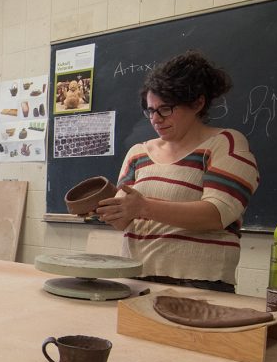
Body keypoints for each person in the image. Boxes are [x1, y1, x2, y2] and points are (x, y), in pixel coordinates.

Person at [95, 51, 259, 293]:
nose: (156, 119)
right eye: (150, 110)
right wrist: (111, 212)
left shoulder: (224, 144)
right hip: (137, 279)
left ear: (197, 103)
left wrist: (143, 206)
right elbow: (125, 222)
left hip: (198, 284)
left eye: (165, 109)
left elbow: (217, 213)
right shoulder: (138, 153)